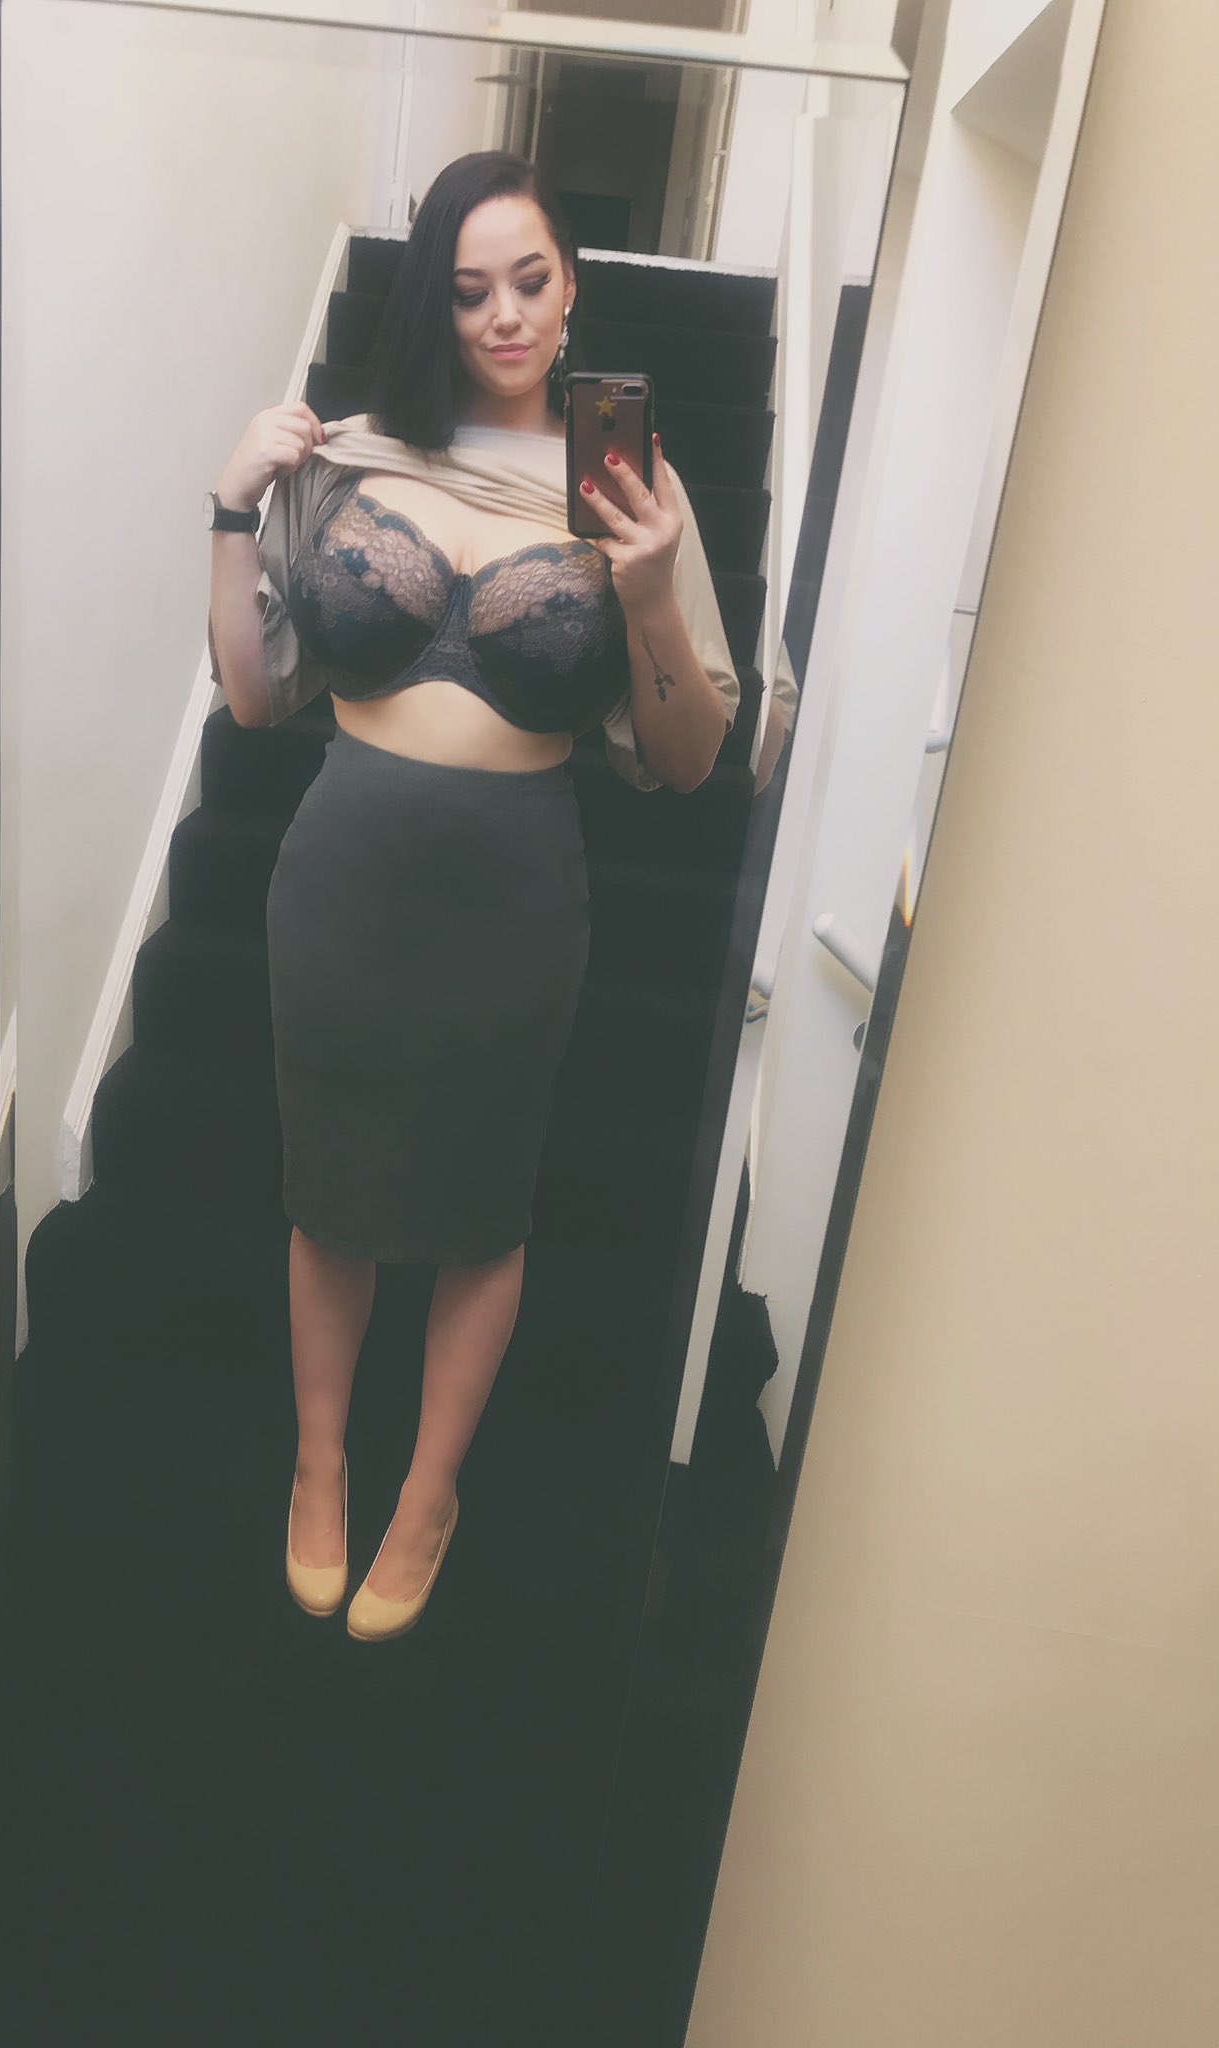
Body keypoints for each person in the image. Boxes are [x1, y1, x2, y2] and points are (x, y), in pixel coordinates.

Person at [205, 152, 739, 1642]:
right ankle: (321, 1465)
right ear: (432, 306)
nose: (502, 314)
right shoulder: (352, 459)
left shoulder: (630, 490)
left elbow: (688, 760)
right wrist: (232, 507)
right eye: (467, 289)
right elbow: (252, 700)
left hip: (515, 898)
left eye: (529, 280)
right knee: (328, 1200)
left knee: (483, 1213)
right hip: (343, 881)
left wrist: (647, 587)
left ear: (573, 290)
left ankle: (428, 1491)